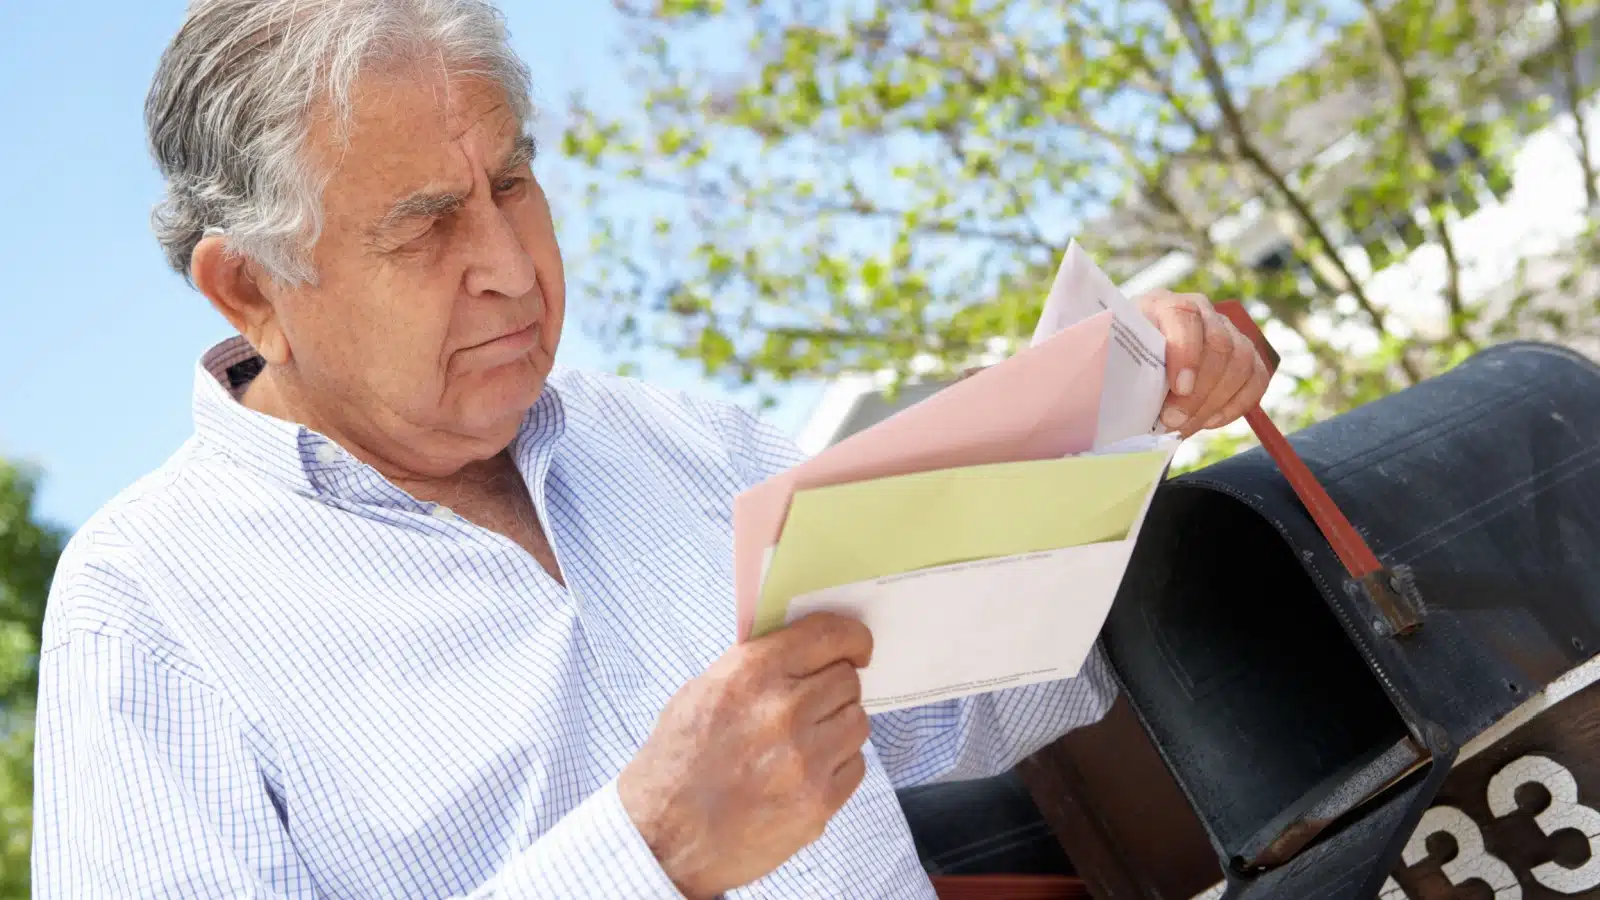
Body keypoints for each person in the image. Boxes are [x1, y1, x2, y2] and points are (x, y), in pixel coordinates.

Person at [31, 1, 1271, 897]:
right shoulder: (145, 609)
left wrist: (1120, 411)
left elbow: (969, 705)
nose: (510, 267)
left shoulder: (679, 441)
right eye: (425, 227)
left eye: (512, 182)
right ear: (251, 288)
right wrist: (651, 853)